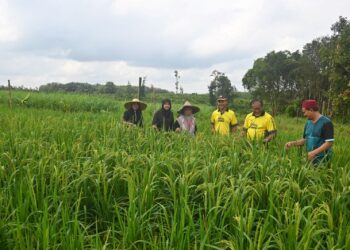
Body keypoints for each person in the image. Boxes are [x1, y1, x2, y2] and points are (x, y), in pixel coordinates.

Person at [285, 99, 334, 165]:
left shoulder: (326, 123)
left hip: (323, 161)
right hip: (310, 159)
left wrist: (314, 153)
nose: (304, 115)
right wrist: (292, 143)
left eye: (304, 112)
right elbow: (306, 139)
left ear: (311, 110)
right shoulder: (308, 123)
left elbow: (329, 142)